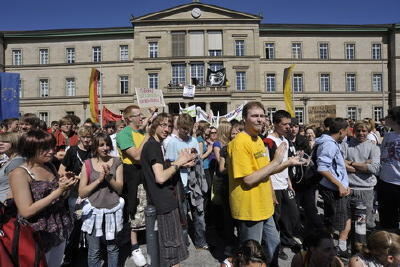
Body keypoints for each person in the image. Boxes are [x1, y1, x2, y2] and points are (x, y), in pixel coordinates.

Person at [228, 101, 302, 267]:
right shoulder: (241, 143)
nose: (260, 119)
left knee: (273, 245)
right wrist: (276, 161)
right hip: (250, 208)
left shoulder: (258, 140)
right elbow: (248, 179)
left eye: (262, 116)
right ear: (244, 119)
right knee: (251, 255)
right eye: (255, 116)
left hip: (264, 206)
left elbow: (265, 171)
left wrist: (287, 163)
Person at [8, 130, 75, 267]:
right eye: (45, 148)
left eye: (52, 147)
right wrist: (59, 191)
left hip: (58, 228)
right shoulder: (19, 173)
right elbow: (26, 211)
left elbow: (59, 199)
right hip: (36, 233)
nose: (51, 151)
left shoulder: (49, 166)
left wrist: (67, 186)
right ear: (30, 149)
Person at [141, 113, 196, 266]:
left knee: (167, 251)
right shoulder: (152, 145)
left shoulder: (156, 144)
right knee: (173, 255)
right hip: (164, 204)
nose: (167, 129)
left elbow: (159, 171)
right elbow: (160, 177)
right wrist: (179, 162)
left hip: (164, 202)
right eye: (163, 125)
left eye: (170, 126)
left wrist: (181, 165)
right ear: (154, 125)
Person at [116, 105, 154, 266]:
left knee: (146, 208)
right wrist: (148, 135)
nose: (141, 118)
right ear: (129, 118)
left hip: (145, 174)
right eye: (138, 116)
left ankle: (147, 240)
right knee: (134, 210)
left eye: (142, 115)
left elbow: (146, 125)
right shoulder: (123, 134)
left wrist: (152, 115)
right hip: (133, 175)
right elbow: (137, 156)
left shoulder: (138, 131)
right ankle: (134, 247)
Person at [79, 133, 124, 267]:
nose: (105, 148)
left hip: (113, 210)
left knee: (112, 249)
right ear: (95, 147)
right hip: (94, 211)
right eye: (101, 145)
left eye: (107, 144)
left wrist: (109, 178)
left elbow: (120, 189)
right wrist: (99, 180)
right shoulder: (87, 164)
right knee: (94, 251)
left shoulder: (117, 162)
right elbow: (82, 192)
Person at [165, 113, 209, 250]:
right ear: (178, 127)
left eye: (188, 129)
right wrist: (183, 164)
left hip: (194, 182)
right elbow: (169, 163)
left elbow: (199, 157)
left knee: (199, 214)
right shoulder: (172, 142)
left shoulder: (194, 140)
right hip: (180, 183)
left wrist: (196, 159)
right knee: (182, 215)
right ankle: (183, 243)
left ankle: (200, 241)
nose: (186, 131)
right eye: (184, 128)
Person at [264, 110, 302, 257]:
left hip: (284, 184)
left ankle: (286, 238)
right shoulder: (269, 141)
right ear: (275, 124)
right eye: (284, 124)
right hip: (273, 184)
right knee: (275, 217)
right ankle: (275, 245)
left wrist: (288, 181)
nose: (288, 127)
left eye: (289, 124)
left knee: (292, 214)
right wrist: (289, 162)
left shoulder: (285, 140)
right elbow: (268, 167)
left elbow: (285, 165)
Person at [315, 117, 351, 257]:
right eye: (347, 131)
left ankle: (328, 247)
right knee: (333, 220)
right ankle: (326, 248)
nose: (347, 134)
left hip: (335, 187)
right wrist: (340, 185)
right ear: (341, 131)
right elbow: (322, 168)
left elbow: (335, 165)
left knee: (336, 218)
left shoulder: (332, 142)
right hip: (332, 189)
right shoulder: (329, 144)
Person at [58, 126, 93, 266]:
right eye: (84, 137)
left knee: (89, 221)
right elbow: (61, 170)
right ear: (79, 137)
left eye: (89, 137)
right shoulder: (72, 151)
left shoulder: (93, 151)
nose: (87, 140)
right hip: (75, 193)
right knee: (77, 221)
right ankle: (71, 253)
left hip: (90, 192)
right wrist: (73, 177)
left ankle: (88, 250)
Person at [343, 121, 380, 236]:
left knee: (366, 222)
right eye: (358, 130)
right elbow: (341, 164)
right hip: (349, 188)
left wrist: (352, 163)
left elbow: (374, 169)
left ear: (368, 132)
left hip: (366, 189)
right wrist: (363, 165)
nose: (361, 133)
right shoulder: (346, 145)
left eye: (364, 131)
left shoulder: (373, 148)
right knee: (348, 221)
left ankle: (366, 247)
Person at [378, 106, 400, 231]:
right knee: (387, 219)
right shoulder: (388, 136)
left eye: (388, 116)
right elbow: (382, 155)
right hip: (387, 182)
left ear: (394, 119)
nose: (385, 119)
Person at [0, 132, 24, 203]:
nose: (0, 143)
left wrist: (7, 204)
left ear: (15, 143)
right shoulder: (12, 159)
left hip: (6, 204)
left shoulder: (16, 161)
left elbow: (16, 188)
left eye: (5, 141)